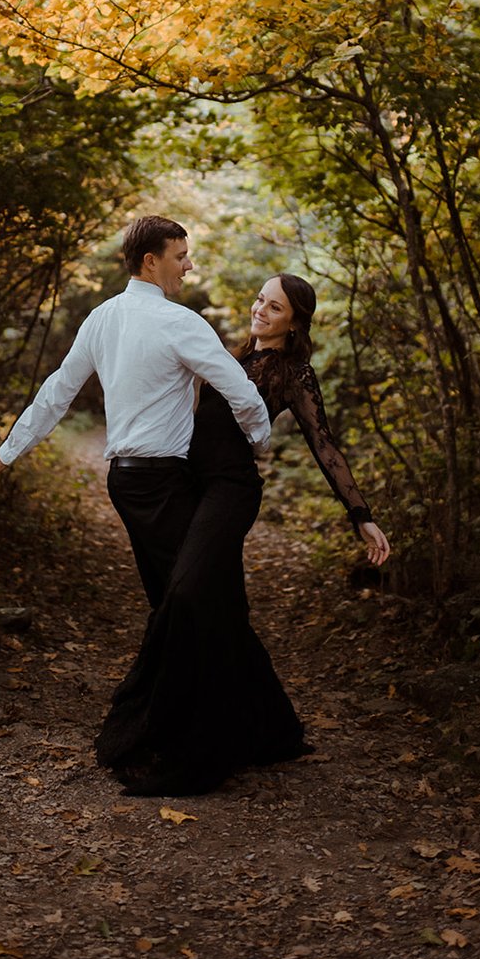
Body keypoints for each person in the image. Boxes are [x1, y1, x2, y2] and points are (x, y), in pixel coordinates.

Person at [94, 271, 391, 797]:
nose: (261, 311)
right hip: (186, 485)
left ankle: (198, 748)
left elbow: (325, 446)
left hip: (230, 493)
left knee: (187, 596)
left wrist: (360, 514)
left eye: (275, 308)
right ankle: (269, 728)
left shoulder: (293, 372)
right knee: (216, 606)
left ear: (296, 321)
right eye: (260, 300)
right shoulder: (225, 356)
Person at [0, 215, 271, 610]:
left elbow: (57, 392)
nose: (189, 266)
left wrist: (7, 451)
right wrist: (260, 440)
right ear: (151, 261)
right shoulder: (181, 322)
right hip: (166, 483)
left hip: (124, 484)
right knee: (195, 597)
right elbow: (242, 392)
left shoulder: (101, 318)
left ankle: (179, 667)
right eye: (181, 257)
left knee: (168, 595)